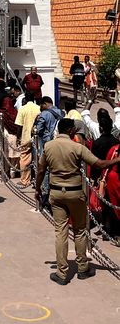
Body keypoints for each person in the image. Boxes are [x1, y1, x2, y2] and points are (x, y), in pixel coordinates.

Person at [35, 117, 120, 285]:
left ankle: (61, 272)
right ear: (70, 131)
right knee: (80, 231)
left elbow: (40, 170)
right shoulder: (77, 148)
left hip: (56, 193)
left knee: (61, 232)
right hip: (75, 194)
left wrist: (38, 189)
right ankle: (82, 268)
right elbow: (100, 164)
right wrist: (117, 159)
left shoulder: (49, 146)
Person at [14, 91, 40, 189]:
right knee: (37, 158)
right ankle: (36, 179)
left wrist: (18, 137)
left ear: (25, 99)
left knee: (25, 159)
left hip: (25, 137)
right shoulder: (38, 108)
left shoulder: (22, 109)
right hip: (36, 137)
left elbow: (19, 125)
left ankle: (25, 180)